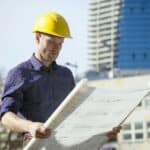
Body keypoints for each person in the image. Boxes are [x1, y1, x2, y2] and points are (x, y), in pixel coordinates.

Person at [0, 11, 121, 148]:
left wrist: (103, 130)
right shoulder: (19, 74)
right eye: (51, 41)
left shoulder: (66, 75)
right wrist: (30, 126)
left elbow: (77, 116)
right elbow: (6, 117)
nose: (56, 48)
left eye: (60, 43)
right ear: (38, 37)